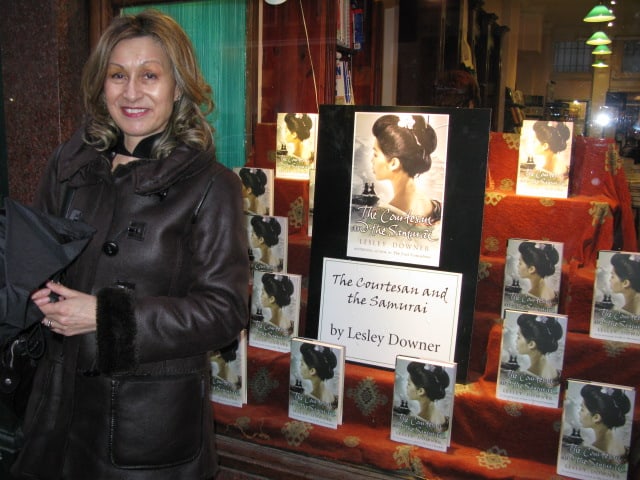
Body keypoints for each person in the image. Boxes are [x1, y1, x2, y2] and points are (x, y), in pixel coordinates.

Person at [11, 10, 249, 480]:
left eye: (150, 75)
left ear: (178, 87)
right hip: (56, 414)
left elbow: (225, 313)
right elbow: (35, 263)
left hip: (146, 430)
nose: (132, 92)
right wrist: (34, 291)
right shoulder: (71, 164)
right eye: (118, 75)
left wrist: (104, 317)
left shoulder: (210, 185)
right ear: (102, 84)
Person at [370, 114, 441, 222]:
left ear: (394, 163)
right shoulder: (435, 207)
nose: (371, 160)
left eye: (375, 154)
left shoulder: (381, 219)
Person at [579, 384, 631, 458]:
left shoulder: (586, 453)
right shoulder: (622, 447)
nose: (579, 413)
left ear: (596, 418)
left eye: (582, 409)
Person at [515, 313, 563, 383]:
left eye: (518, 337)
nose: (516, 341)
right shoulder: (557, 372)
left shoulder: (521, 378)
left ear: (531, 344)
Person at [405, 362, 450, 432]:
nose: (406, 387)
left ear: (420, 391)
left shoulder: (412, 421)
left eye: (409, 384)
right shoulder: (444, 419)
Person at [299, 343, 338, 408]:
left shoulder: (306, 399)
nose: (300, 367)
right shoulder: (333, 397)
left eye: (302, 364)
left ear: (312, 371)